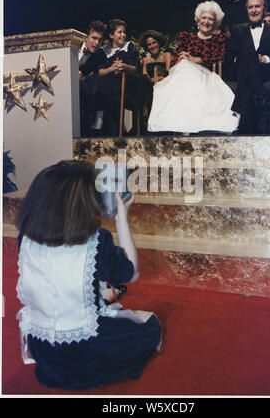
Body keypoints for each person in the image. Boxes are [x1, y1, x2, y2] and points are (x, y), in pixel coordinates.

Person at [15, 159, 162, 390]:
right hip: (82, 352)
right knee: (150, 328)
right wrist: (121, 218)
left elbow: (55, 281)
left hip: (43, 348)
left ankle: (103, 300)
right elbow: (131, 273)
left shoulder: (25, 239)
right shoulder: (97, 241)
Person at [147, 1, 239, 134]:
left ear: (215, 22)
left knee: (188, 71)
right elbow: (174, 62)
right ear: (198, 19)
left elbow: (222, 58)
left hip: (207, 75)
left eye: (210, 18)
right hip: (183, 74)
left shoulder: (220, 39)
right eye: (204, 17)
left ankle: (188, 126)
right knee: (184, 67)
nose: (206, 21)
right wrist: (181, 58)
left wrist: (197, 60)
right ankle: (181, 124)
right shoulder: (186, 38)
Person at [227, 0, 270, 134]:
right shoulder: (238, 30)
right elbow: (229, 56)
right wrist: (246, 58)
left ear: (264, 8)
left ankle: (240, 118)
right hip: (244, 72)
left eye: (257, 6)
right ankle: (260, 93)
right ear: (246, 10)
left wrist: (266, 59)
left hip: (267, 73)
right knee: (249, 55)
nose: (254, 10)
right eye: (250, 7)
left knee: (250, 64)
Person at [80, 19, 141, 136]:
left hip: (125, 81)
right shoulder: (104, 51)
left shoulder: (129, 46)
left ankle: (98, 120)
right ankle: (89, 121)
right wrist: (111, 69)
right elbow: (100, 71)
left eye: (124, 32)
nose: (123, 35)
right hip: (107, 80)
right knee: (92, 81)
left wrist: (124, 66)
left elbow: (135, 68)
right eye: (120, 32)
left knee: (102, 82)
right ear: (111, 35)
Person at [139, 30, 172, 127]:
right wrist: (149, 79)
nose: (152, 46)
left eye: (154, 42)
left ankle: (146, 115)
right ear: (146, 47)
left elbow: (168, 73)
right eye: (149, 44)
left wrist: (156, 79)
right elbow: (145, 75)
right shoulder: (145, 60)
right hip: (149, 85)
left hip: (164, 84)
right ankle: (145, 120)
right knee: (145, 86)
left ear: (159, 42)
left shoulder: (166, 55)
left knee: (153, 89)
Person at [78, 20, 106, 137]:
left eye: (100, 40)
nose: (96, 43)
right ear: (86, 37)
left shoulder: (101, 55)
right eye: (94, 38)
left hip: (82, 89)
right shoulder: (74, 45)